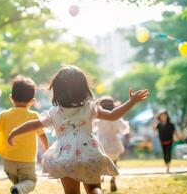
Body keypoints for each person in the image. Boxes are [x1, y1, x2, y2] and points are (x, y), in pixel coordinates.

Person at [8, 66, 149, 194]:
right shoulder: (89, 107)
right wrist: (131, 101)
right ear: (84, 89)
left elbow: (34, 124)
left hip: (65, 157)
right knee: (94, 188)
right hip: (89, 153)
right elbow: (113, 115)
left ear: (57, 89)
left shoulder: (54, 112)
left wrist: (15, 132)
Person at [0, 76, 49, 194]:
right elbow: (42, 135)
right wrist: (47, 150)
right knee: (30, 181)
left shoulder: (4, 115)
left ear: (11, 98)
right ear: (32, 101)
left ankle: (17, 189)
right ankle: (18, 189)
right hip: (27, 160)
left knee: (19, 186)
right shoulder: (34, 116)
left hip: (8, 160)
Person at [93, 96, 130, 192]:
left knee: (100, 163)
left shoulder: (98, 118)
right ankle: (113, 179)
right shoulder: (116, 117)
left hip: (102, 145)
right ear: (113, 106)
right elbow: (125, 129)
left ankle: (100, 178)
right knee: (115, 162)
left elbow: (92, 127)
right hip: (114, 144)